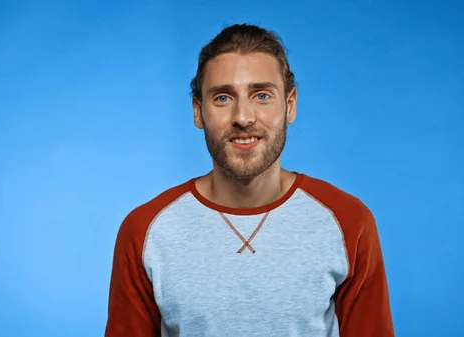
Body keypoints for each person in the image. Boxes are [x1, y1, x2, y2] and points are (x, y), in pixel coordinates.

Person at [104, 23, 395, 337]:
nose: (243, 117)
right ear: (198, 111)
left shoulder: (349, 222)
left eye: (261, 95)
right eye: (223, 98)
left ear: (290, 104)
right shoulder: (145, 230)